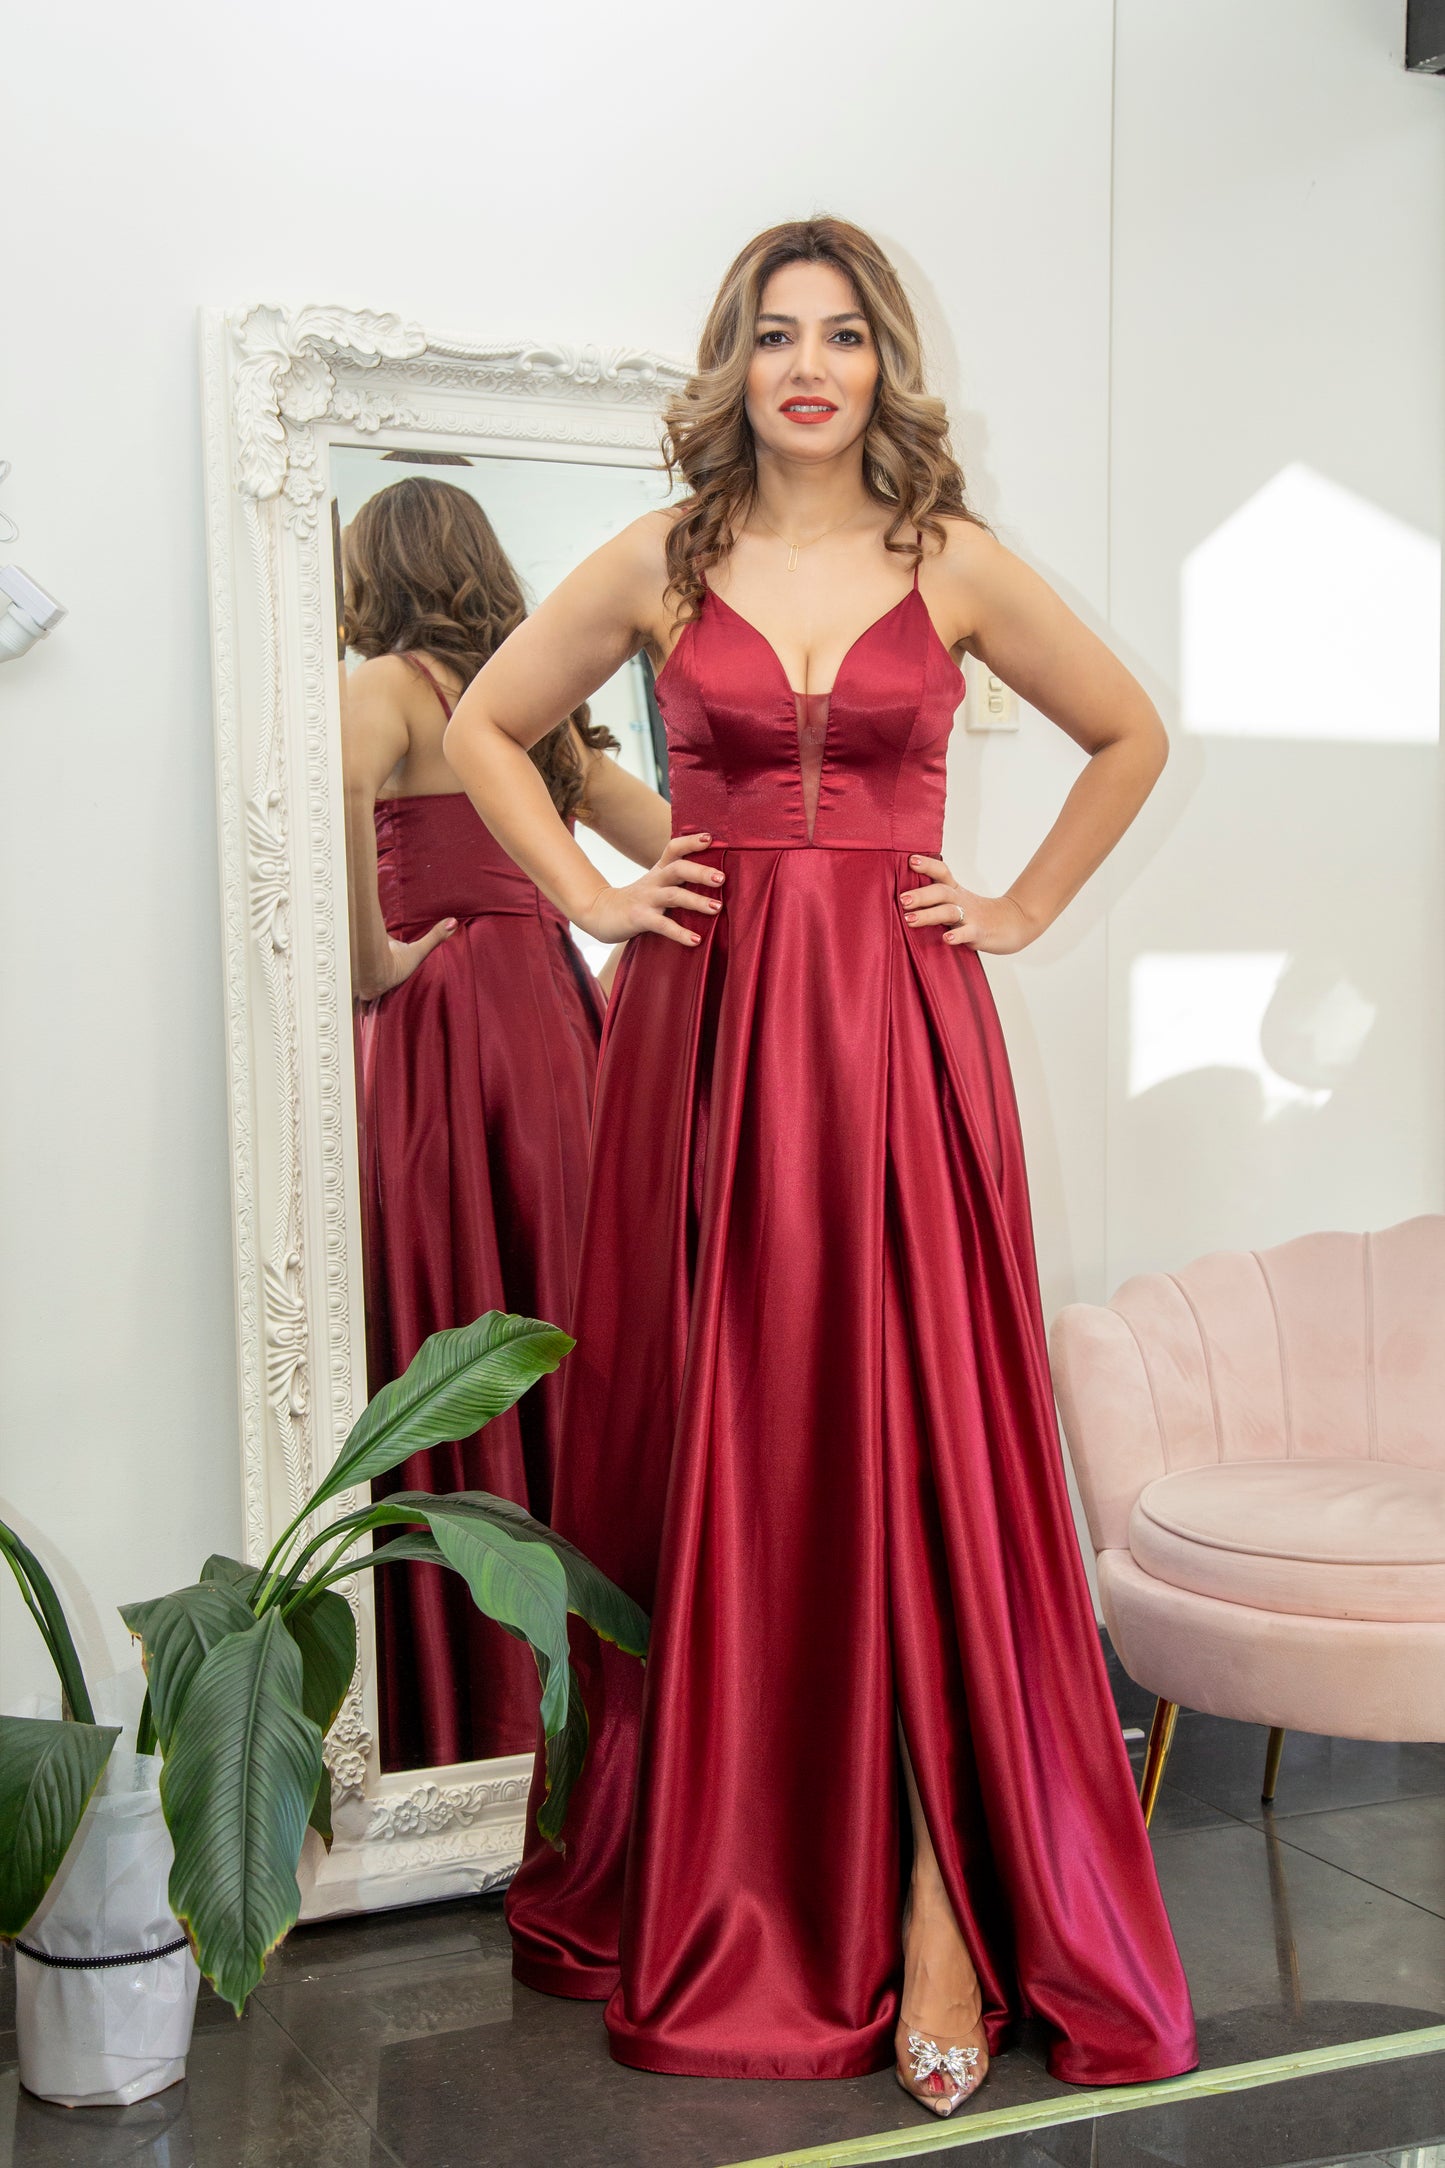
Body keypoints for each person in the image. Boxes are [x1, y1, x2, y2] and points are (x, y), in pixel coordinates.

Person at [441, 218, 1198, 2114]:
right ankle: (762, 1864)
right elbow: (481, 726)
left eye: (842, 336)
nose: (808, 366)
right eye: (776, 335)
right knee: (742, 1436)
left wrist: (1016, 902)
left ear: (881, 366)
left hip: (899, 1042)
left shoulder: (944, 560)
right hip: (702, 1051)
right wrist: (598, 894)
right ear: (735, 362)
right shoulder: (659, 562)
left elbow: (1129, 731)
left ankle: (947, 1888)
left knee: (926, 1441)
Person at [341, 476, 669, 1770]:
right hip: (556, 1022)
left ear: (378, 570)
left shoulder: (379, 688)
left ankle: (483, 1704)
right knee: (567, 1315)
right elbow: (678, 837)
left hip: (450, 1023)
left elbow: (310, 842)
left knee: (454, 1316)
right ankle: (614, 1680)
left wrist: (376, 961)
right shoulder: (541, 723)